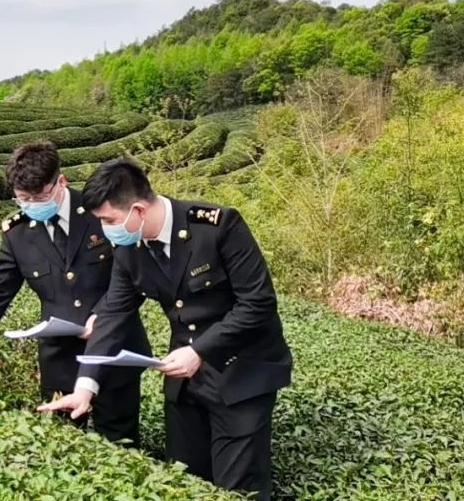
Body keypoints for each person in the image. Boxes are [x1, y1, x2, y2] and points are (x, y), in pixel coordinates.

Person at [39, 158, 292, 500]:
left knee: (238, 488)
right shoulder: (129, 249)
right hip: (185, 382)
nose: (105, 230)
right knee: (184, 482)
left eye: (109, 220)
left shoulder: (218, 227)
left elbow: (258, 303)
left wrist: (199, 350)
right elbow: (113, 314)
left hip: (242, 374)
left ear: (138, 211)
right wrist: (85, 388)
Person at [0, 142, 150, 445]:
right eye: (23, 199)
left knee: (119, 443)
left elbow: (135, 274)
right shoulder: (17, 233)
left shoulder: (99, 212)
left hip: (114, 350)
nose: (32, 205)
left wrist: (102, 315)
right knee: (62, 445)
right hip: (60, 358)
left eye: (40, 196)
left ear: (60, 182)